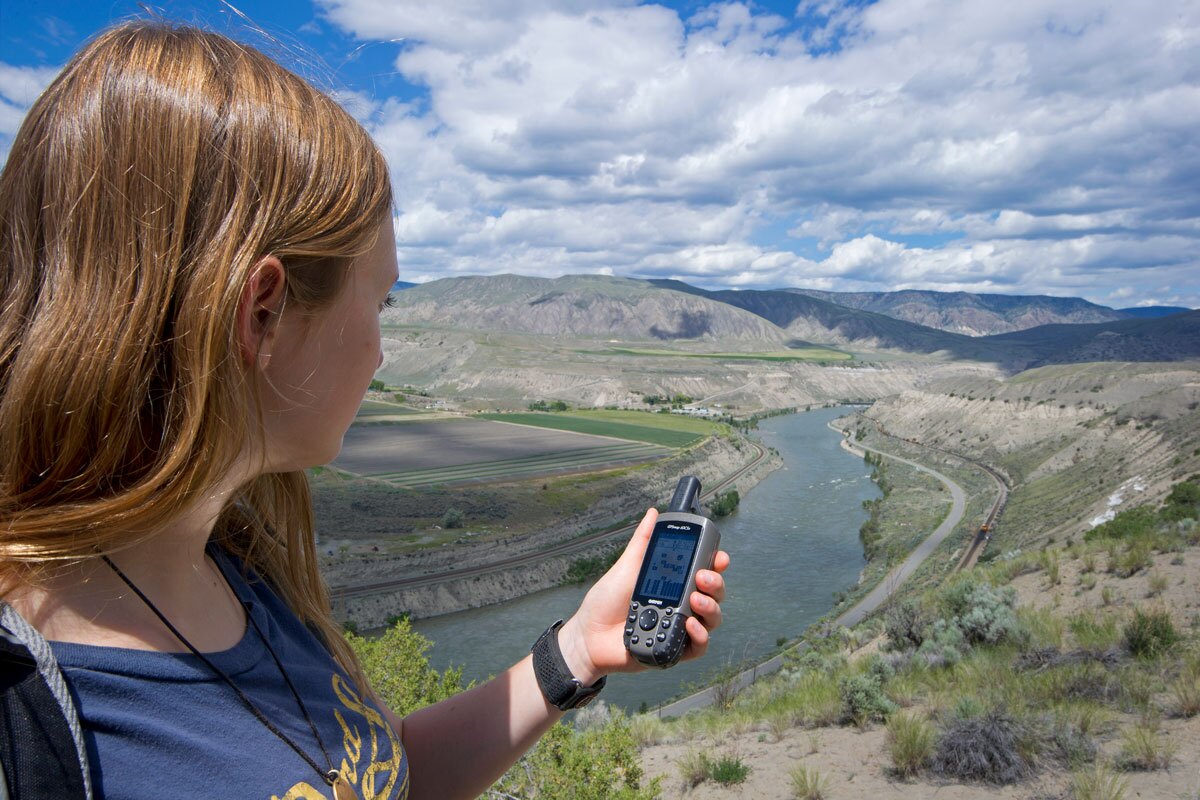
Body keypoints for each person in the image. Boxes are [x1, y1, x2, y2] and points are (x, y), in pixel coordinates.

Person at [0, 20, 728, 800]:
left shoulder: (237, 565)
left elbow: (382, 777)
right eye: (380, 302)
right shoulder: (28, 715)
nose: (381, 353)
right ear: (262, 313)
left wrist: (576, 652)